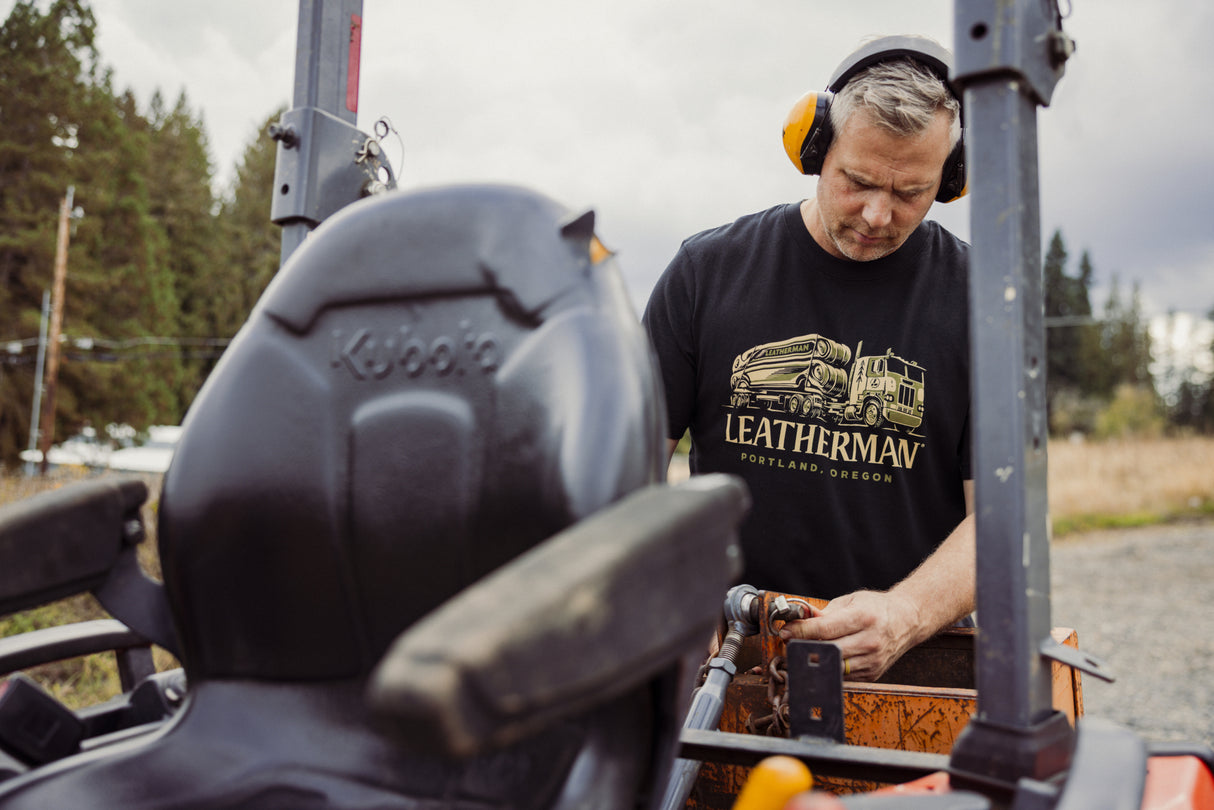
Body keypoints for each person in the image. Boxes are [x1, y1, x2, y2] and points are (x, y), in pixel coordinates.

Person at [642, 36, 975, 682]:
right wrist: (679, 582)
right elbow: (629, 476)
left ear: (951, 178)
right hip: (724, 660)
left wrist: (905, 614)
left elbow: (1006, 524)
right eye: (858, 181)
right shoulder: (705, 276)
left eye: (911, 191)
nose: (878, 214)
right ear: (816, 149)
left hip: (910, 667)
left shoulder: (984, 306)